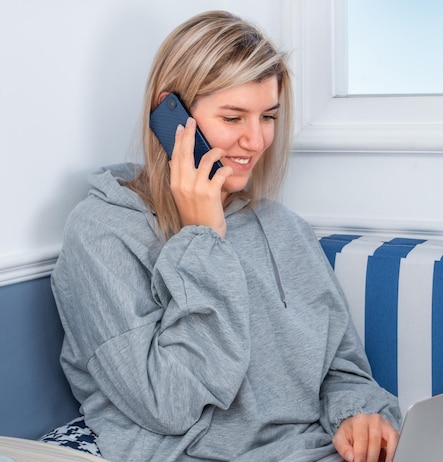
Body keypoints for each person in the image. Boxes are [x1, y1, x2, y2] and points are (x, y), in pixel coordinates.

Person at [51, 10, 401, 462]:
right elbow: (169, 404)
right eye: (234, 118)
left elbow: (340, 367)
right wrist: (202, 238)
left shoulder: (282, 226)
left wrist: (358, 415)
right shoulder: (102, 235)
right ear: (169, 113)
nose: (256, 141)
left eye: (268, 116)